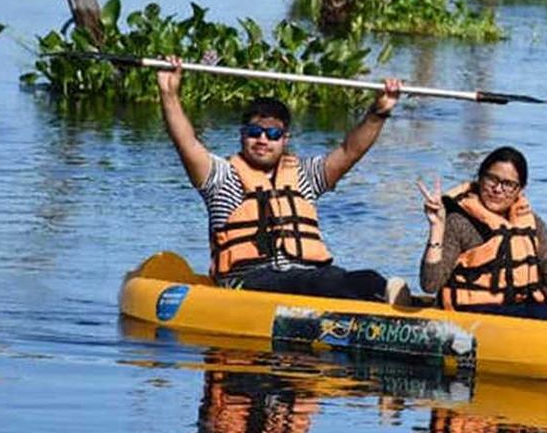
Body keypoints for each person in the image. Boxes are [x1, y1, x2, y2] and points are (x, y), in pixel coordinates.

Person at [157, 56, 408, 303]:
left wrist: (378, 112)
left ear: (285, 139)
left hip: (311, 277)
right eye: (254, 132)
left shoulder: (304, 176)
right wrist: (169, 93)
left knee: (361, 279)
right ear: (242, 136)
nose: (263, 140)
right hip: (248, 282)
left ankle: (394, 302)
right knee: (321, 282)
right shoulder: (221, 178)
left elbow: (349, 151)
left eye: (273, 134)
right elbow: (186, 143)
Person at [416, 146, 547, 325]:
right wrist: (437, 226)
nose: (498, 189)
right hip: (470, 313)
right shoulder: (458, 222)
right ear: (479, 178)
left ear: (520, 189)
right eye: (492, 179)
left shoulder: (531, 222)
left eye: (508, 184)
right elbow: (430, 284)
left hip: (521, 309)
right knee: (538, 313)